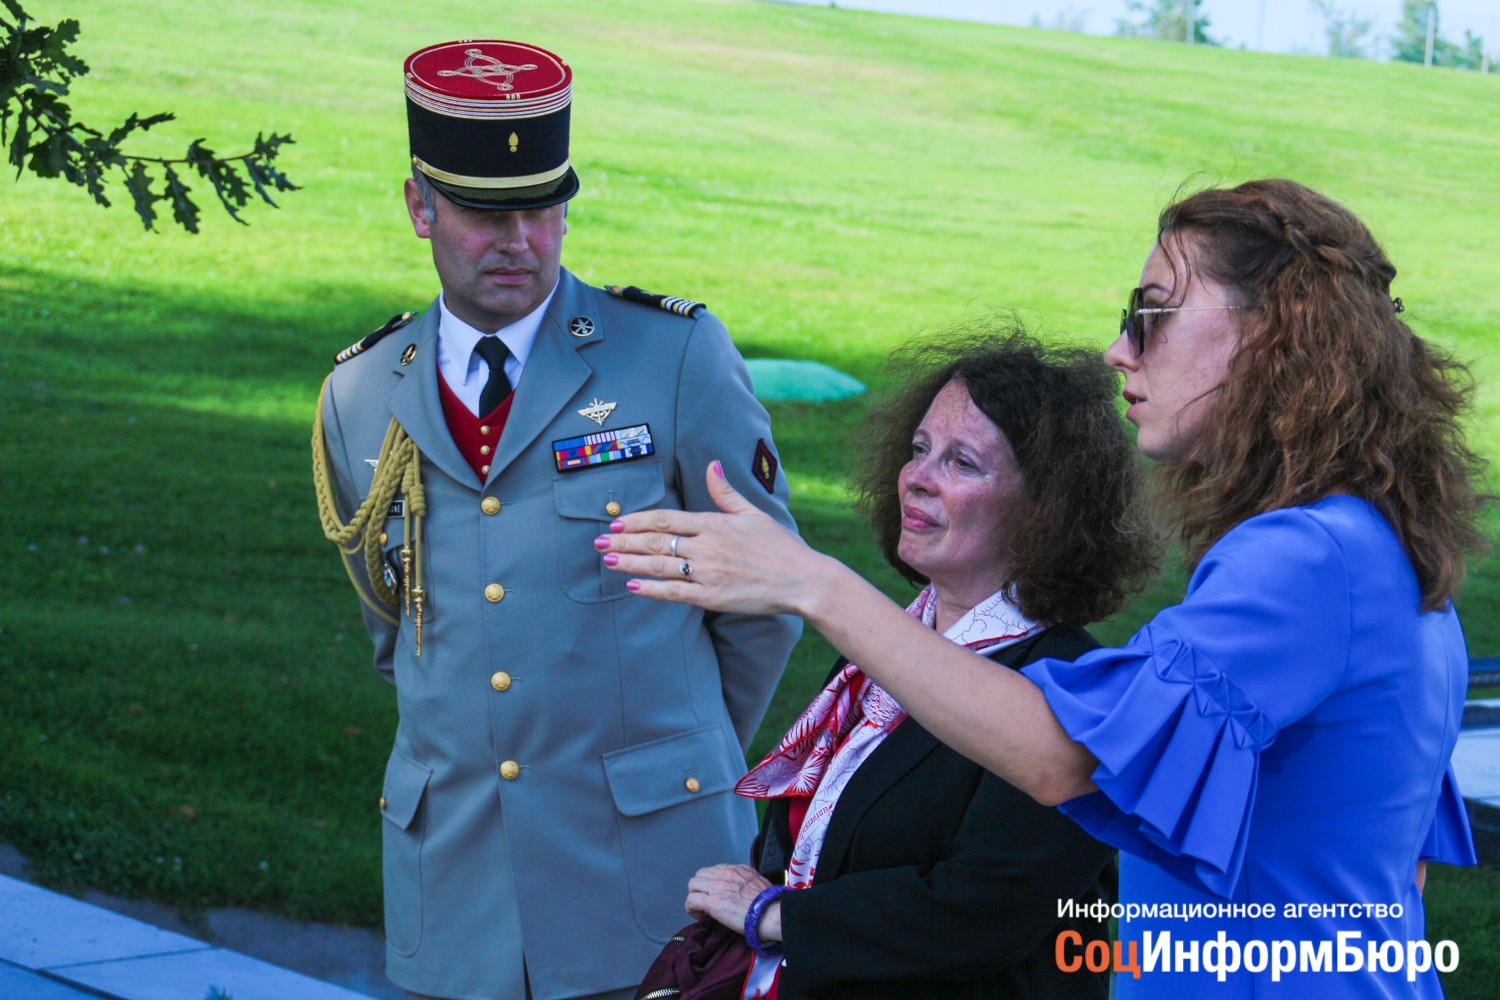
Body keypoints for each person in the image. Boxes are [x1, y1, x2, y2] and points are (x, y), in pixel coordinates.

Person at [599, 179, 1484, 998]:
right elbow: (1397, 862)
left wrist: (813, 584)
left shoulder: (1304, 558)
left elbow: (1065, 760)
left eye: (1152, 313)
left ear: (1274, 336)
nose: (1119, 350)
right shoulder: (1374, 547)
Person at [312, 39, 800, 1000]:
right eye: (484, 212)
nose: (519, 240)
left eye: (541, 208)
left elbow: (766, 598)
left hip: (652, 877)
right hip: (457, 894)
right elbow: (398, 630)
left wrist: (675, 755)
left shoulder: (670, 356)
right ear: (419, 206)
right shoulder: (360, 393)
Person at [664, 329, 1156, 999]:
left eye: (963, 463)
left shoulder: (1070, 687)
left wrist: (776, 916)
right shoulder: (886, 644)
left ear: (1045, 509)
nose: (917, 477)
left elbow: (987, 912)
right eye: (920, 449)